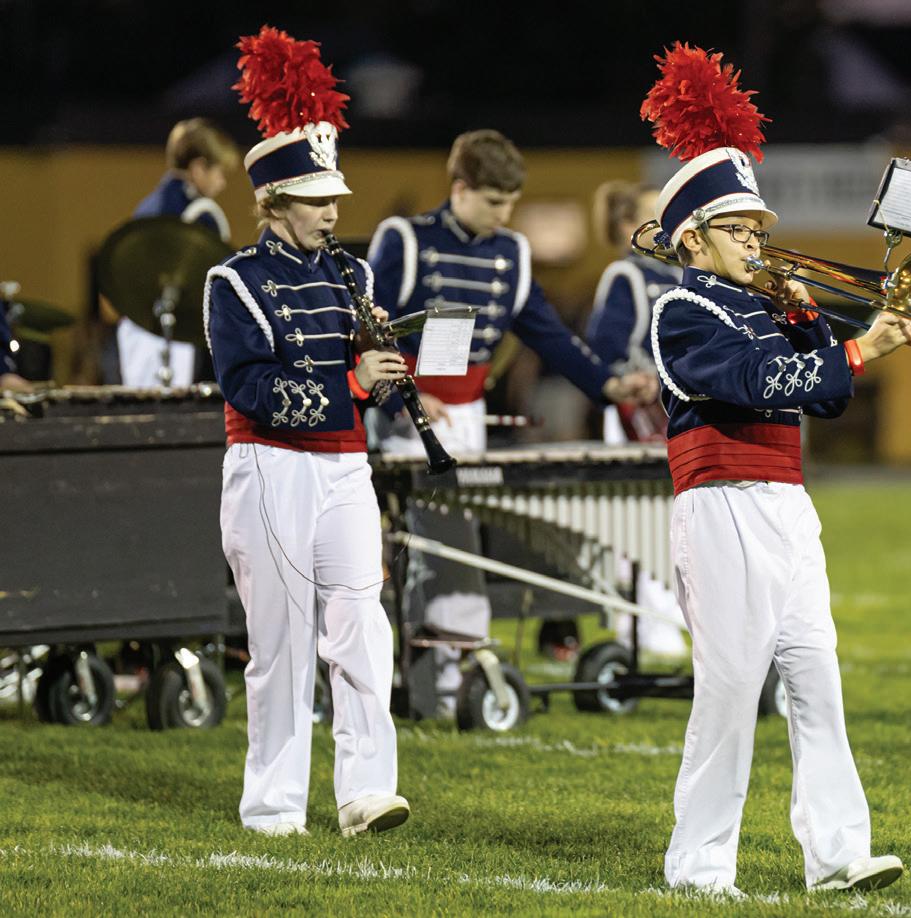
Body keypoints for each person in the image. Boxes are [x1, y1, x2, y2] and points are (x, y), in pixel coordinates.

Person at [642, 43, 911, 893]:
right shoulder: (681, 310)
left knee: (816, 678)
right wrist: (857, 347)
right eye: (740, 229)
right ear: (693, 237)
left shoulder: (764, 309)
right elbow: (755, 384)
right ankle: (698, 865)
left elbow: (824, 399)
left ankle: (836, 855)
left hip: (788, 504)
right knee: (730, 692)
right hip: (723, 505)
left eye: (760, 229)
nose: (758, 243)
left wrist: (816, 326)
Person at [366, 129, 656, 711]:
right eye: (493, 201)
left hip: (467, 417)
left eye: (510, 203)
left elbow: (549, 336)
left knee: (451, 546)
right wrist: (404, 399)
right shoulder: (406, 240)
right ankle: (441, 677)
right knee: (441, 544)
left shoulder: (512, 253)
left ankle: (440, 678)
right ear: (460, 188)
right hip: (406, 416)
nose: (503, 215)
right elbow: (369, 330)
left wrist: (607, 384)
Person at [206, 25, 409, 837]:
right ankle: (273, 805)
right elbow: (249, 386)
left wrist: (388, 377)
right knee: (282, 642)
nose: (333, 211)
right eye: (318, 199)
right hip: (272, 465)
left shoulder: (354, 273)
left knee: (362, 624)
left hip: (345, 465)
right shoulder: (235, 282)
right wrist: (351, 385)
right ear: (274, 201)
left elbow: (366, 383)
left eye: (334, 199)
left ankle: (365, 792)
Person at [586, 180, 687, 657]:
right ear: (629, 225)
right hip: (632, 415)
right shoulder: (625, 276)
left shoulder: (683, 275)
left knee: (677, 518)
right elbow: (603, 350)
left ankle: (668, 611)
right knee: (640, 521)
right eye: (654, 217)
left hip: (676, 413)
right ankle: (642, 622)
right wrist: (634, 377)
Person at [118, 118, 240, 387]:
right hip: (157, 333)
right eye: (219, 173)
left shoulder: (153, 203)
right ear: (198, 168)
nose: (222, 183)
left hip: (140, 328)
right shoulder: (185, 214)